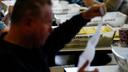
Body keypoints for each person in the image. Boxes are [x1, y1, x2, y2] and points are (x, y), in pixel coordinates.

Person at [0, 0, 104, 72]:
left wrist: (85, 16)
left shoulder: (29, 44)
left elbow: (58, 36)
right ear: (28, 23)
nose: (50, 29)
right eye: (47, 22)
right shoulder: (8, 63)